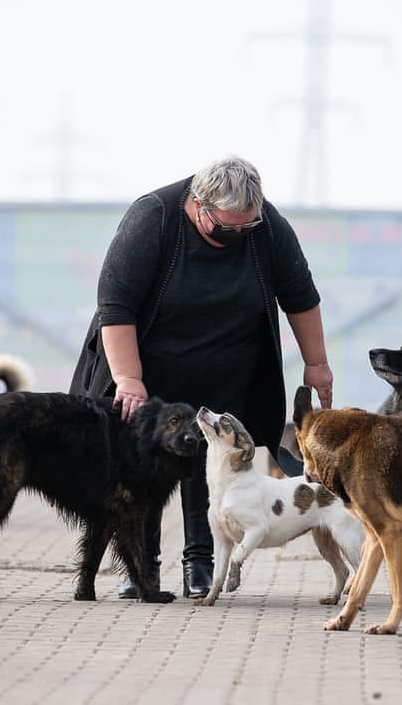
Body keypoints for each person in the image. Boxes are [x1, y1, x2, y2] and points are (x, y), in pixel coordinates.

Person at [70, 156, 333, 599]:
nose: (237, 236)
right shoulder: (153, 217)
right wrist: (129, 379)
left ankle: (200, 565)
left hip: (229, 362)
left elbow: (300, 296)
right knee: (143, 469)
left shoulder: (267, 226)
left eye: (246, 228)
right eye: (225, 228)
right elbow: (116, 305)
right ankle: (141, 570)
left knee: (210, 468)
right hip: (149, 367)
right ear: (198, 204)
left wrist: (317, 363)